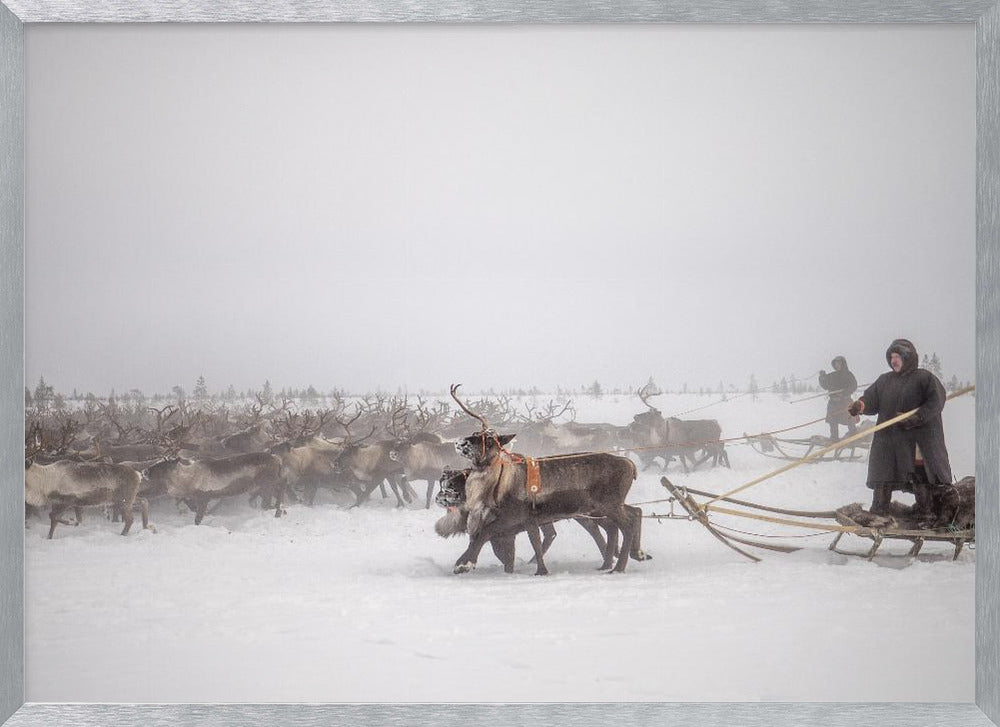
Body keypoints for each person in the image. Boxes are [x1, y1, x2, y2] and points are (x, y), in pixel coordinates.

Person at [847, 338, 953, 520]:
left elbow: (936, 401)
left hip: (918, 438)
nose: (894, 360)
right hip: (888, 438)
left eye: (898, 356)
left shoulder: (924, 378)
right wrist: (861, 405)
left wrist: (916, 418)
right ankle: (879, 510)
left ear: (908, 357)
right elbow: (871, 399)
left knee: (920, 473)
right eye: (892, 357)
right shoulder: (885, 380)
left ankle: (926, 512)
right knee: (882, 469)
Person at [818, 356, 858, 442]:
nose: (837, 365)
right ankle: (834, 438)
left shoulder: (848, 375)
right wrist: (822, 377)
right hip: (833, 403)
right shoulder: (832, 375)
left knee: (850, 419)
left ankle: (854, 436)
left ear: (843, 364)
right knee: (832, 421)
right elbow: (825, 385)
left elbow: (854, 386)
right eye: (835, 364)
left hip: (845, 401)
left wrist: (844, 393)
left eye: (839, 363)